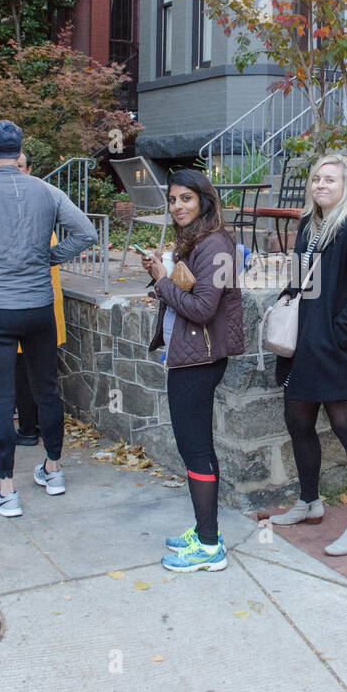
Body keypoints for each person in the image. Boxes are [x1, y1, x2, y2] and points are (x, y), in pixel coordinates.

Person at [0, 120, 97, 518]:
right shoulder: (47, 191)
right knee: (46, 389)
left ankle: (6, 489)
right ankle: (53, 469)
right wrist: (50, 256)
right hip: (39, 306)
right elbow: (86, 233)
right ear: (20, 153)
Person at [268, 154, 347, 556]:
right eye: (316, 178)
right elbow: (300, 281)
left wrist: (335, 334)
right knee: (297, 420)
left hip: (338, 350)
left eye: (329, 179)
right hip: (304, 347)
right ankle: (309, 502)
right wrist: (285, 301)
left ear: (345, 186)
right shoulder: (307, 226)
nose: (320, 185)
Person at [140, 169, 244, 571]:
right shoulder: (199, 240)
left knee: (196, 448)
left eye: (186, 198)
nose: (178, 206)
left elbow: (203, 309)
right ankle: (205, 531)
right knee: (194, 447)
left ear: (203, 199)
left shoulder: (215, 245)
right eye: (172, 200)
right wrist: (165, 276)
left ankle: (209, 546)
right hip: (189, 357)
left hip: (198, 361)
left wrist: (162, 281)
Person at [11, 151, 68, 447]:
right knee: (26, 372)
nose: (15, 172)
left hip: (35, 301)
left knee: (39, 376)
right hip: (32, 301)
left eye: (20, 167)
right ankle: (34, 428)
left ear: (29, 169)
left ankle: (34, 430)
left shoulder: (36, 201)